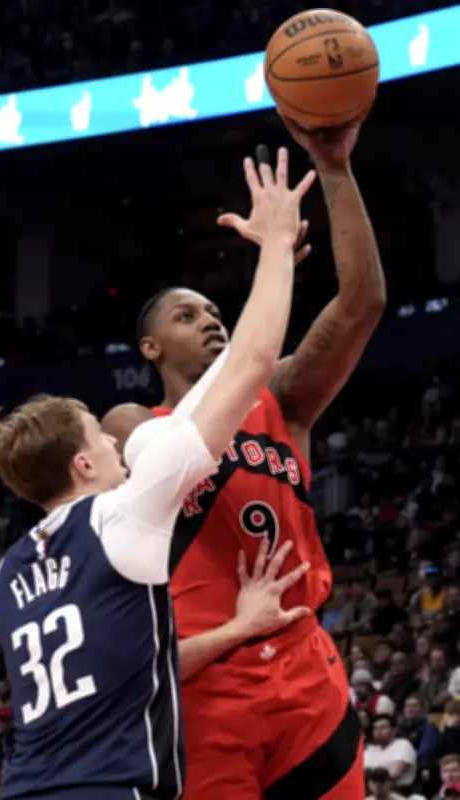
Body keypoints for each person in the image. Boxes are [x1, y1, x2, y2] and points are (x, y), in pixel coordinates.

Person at [0, 148, 315, 800]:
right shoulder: (124, 514)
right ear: (83, 463)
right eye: (104, 445)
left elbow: (136, 669)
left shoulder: (11, 571)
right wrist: (276, 243)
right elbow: (250, 364)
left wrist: (235, 629)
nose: (121, 451)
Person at [103, 116, 386, 799]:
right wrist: (273, 264)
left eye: (211, 310)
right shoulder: (131, 423)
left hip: (304, 671)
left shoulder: (281, 401)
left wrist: (336, 169)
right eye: (185, 315)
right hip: (204, 678)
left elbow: (361, 301)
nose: (208, 318)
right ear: (149, 349)